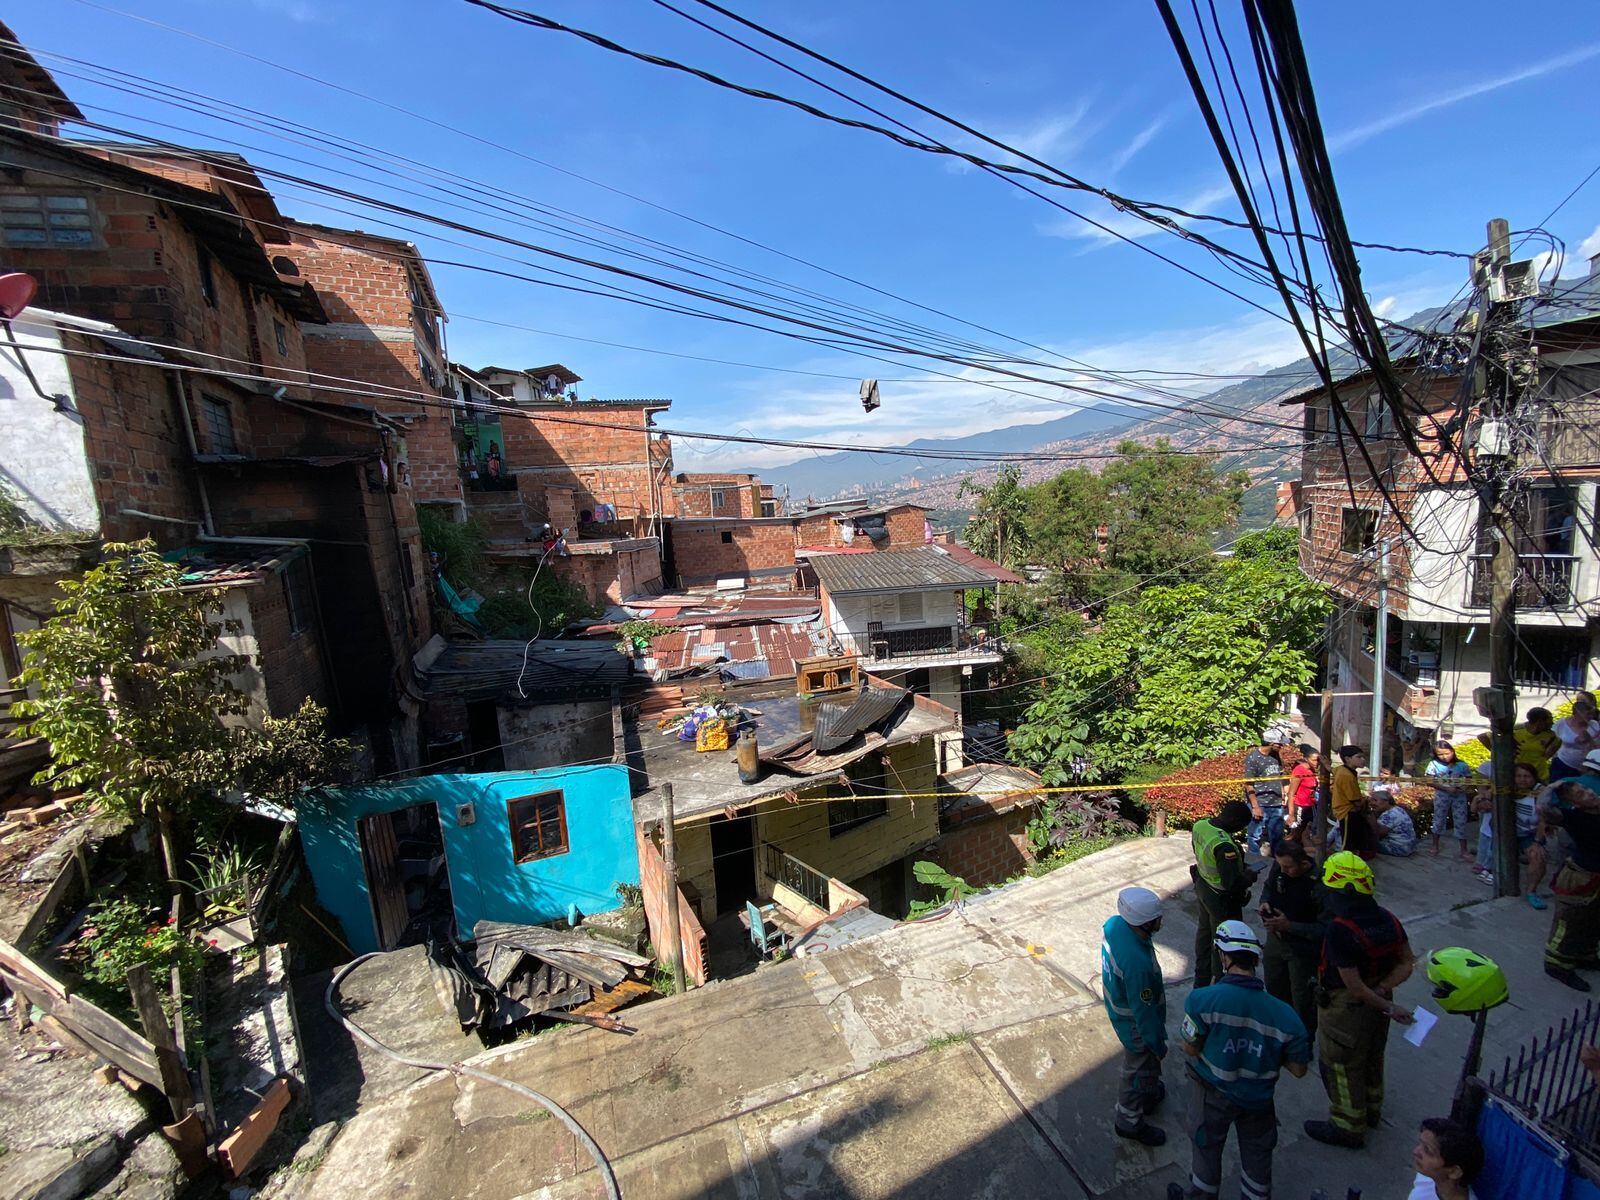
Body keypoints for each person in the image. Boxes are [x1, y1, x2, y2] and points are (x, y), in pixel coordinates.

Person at [1164, 921, 1310, 1200]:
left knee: (1206, 1150)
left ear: (1223, 956)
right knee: (1257, 1158)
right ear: (1255, 960)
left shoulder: (1202, 1001)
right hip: (1259, 1100)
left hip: (1212, 1094)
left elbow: (1191, 1049)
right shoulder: (1287, 1017)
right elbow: (1299, 1069)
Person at [1304, 852, 1415, 1149]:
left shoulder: (1342, 931)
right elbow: (1406, 963)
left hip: (1347, 1010)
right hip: (1378, 1005)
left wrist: (1383, 1002)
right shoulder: (1388, 919)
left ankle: (1347, 1126)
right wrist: (1384, 993)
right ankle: (1371, 1110)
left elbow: (1354, 986)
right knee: (1372, 1056)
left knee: (1341, 1065)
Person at [1101, 887, 1169, 1146]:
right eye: (1158, 918)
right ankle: (1128, 1121)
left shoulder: (1115, 925)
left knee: (1146, 1067)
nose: (1161, 921)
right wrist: (1157, 1042)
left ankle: (1150, 1094)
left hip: (1119, 1009)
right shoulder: (1137, 964)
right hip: (1135, 1025)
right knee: (1137, 1068)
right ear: (1145, 923)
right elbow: (1145, 1013)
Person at [1190, 801, 1258, 988]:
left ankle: (1201, 981)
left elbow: (1198, 852)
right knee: (1223, 942)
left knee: (1204, 935)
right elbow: (1232, 884)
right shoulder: (1224, 846)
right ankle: (1221, 983)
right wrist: (1249, 877)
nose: (1240, 830)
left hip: (1203, 887)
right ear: (1234, 820)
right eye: (1241, 825)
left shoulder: (1200, 825)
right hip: (1222, 900)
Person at [1259, 838, 1324, 1036]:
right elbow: (1269, 887)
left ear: (1303, 863)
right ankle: (1279, 1029)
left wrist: (1290, 926)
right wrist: (1264, 902)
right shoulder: (1280, 868)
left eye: (1289, 867)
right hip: (1276, 940)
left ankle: (1303, 1038)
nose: (1284, 871)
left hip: (1302, 949)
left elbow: (1325, 929)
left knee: (1302, 997)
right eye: (1280, 866)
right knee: (1274, 987)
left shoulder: (1319, 884)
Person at [1542, 779, 1600, 990]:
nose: (1588, 793)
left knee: (1593, 921)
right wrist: (1550, 788)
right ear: (1574, 803)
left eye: (1586, 789)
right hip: (1580, 877)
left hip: (1596, 877)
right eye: (1580, 794)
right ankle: (1556, 964)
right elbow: (1545, 809)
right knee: (1569, 923)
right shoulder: (1574, 818)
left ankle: (1585, 955)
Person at [1407, 1116, 1484, 1199]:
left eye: (1427, 1150)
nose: (1415, 1151)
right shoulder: (1427, 1177)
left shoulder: (1428, 1176)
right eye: (1420, 1144)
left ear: (1454, 1172)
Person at [1427, 742, 1473, 860]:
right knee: (1438, 819)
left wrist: (1464, 787)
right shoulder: (1433, 764)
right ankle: (1435, 845)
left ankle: (1463, 849)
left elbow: (1469, 779)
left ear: (1452, 751)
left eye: (1447, 753)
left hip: (1459, 796)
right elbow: (1429, 781)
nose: (1444, 756)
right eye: (1440, 754)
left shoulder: (1462, 765)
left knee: (1461, 821)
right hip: (1442, 796)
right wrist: (1446, 788)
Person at [1244, 734, 1288, 856]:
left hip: (1276, 803)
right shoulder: (1253, 758)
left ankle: (1277, 862)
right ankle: (1254, 860)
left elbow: (1280, 776)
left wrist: (1284, 794)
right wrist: (1255, 807)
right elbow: (1249, 784)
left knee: (1277, 836)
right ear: (1271, 743)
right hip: (1260, 802)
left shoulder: (1276, 756)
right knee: (1254, 836)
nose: (1282, 746)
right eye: (1279, 744)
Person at [1331, 745, 1377, 859]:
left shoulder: (1342, 769)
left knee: (1355, 840)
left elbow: (1332, 769)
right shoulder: (1347, 775)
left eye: (1363, 757)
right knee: (1348, 844)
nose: (1363, 760)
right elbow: (1356, 802)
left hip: (1349, 811)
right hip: (1348, 812)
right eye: (1359, 757)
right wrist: (1366, 800)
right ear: (1347, 759)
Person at [1551, 698, 1600, 781]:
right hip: (1563, 763)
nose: (1590, 717)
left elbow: (1597, 748)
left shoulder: (1594, 725)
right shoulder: (1562, 723)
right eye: (1587, 714)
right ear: (1577, 713)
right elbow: (1551, 739)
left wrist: (1589, 739)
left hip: (1586, 767)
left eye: (1591, 714)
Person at [1372, 791, 1418, 857]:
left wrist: (1370, 815)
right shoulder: (1398, 809)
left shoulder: (1388, 815)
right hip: (1409, 846)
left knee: (1366, 843)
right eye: (1371, 801)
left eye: (1375, 800)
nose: (1372, 803)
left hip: (1400, 848)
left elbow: (1378, 833)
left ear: (1386, 801)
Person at [1288, 750, 1319, 833]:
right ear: (1306, 759)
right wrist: (1291, 814)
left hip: (1311, 805)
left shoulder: (1312, 770)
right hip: (1300, 806)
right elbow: (1291, 793)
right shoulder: (1299, 770)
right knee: (1298, 831)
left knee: (1309, 831)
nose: (1316, 763)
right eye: (1314, 760)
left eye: (1318, 760)